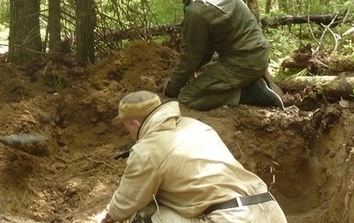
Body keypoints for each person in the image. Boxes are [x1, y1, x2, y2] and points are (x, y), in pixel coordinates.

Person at [100, 91, 288, 223]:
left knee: (142, 214)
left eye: (126, 127)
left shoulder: (146, 149)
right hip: (271, 211)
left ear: (134, 123)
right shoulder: (196, 126)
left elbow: (128, 201)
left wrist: (111, 216)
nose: (129, 134)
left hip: (232, 218)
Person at [163, 0, 283, 110]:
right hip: (254, 55)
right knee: (195, 86)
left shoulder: (198, 9)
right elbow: (206, 47)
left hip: (244, 62)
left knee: (187, 98)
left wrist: (171, 89)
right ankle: (251, 82)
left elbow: (189, 59)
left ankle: (250, 93)